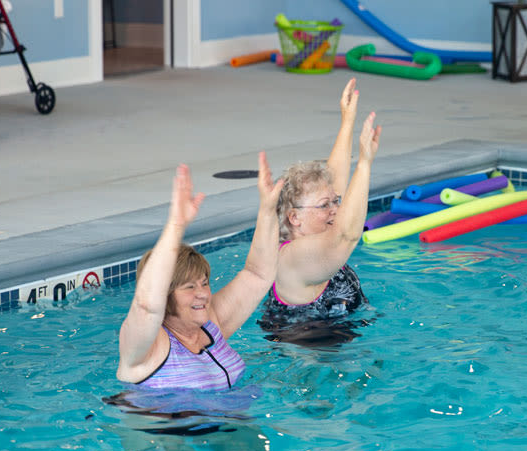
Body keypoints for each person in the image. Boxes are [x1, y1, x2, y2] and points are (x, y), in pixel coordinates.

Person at [116, 153, 283, 389]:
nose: (203, 293)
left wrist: (267, 211)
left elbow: (257, 275)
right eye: (189, 287)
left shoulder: (208, 324)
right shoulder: (147, 348)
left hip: (232, 423)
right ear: (165, 293)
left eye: (204, 283)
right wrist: (176, 225)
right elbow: (146, 305)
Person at [259, 78, 382, 342]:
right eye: (324, 205)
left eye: (335, 202)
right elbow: (346, 235)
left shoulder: (313, 236)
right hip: (309, 359)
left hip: (340, 341)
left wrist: (347, 122)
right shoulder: (291, 257)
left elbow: (334, 179)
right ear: (294, 217)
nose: (335, 210)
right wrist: (364, 164)